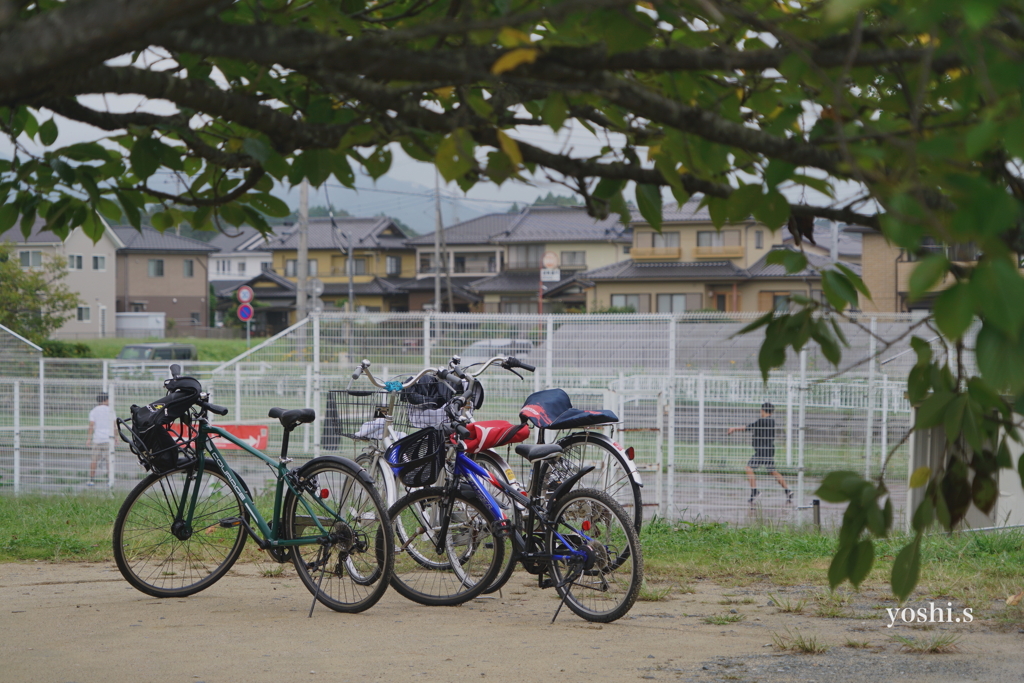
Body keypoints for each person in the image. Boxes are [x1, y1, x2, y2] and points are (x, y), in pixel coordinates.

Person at [727, 402, 793, 505]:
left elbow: (749, 427)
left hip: (762, 451)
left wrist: (734, 429)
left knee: (749, 468)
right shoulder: (771, 421)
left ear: (762, 410)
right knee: (773, 471)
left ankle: (755, 491)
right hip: (768, 450)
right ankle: (788, 491)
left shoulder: (762, 421)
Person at [87, 393, 113, 486]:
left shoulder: (93, 411)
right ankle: (110, 480)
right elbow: (114, 425)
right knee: (109, 460)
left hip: (97, 439)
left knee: (94, 460)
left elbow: (91, 425)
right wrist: (116, 438)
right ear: (104, 400)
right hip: (108, 439)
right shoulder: (110, 410)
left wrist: (89, 439)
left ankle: (91, 480)